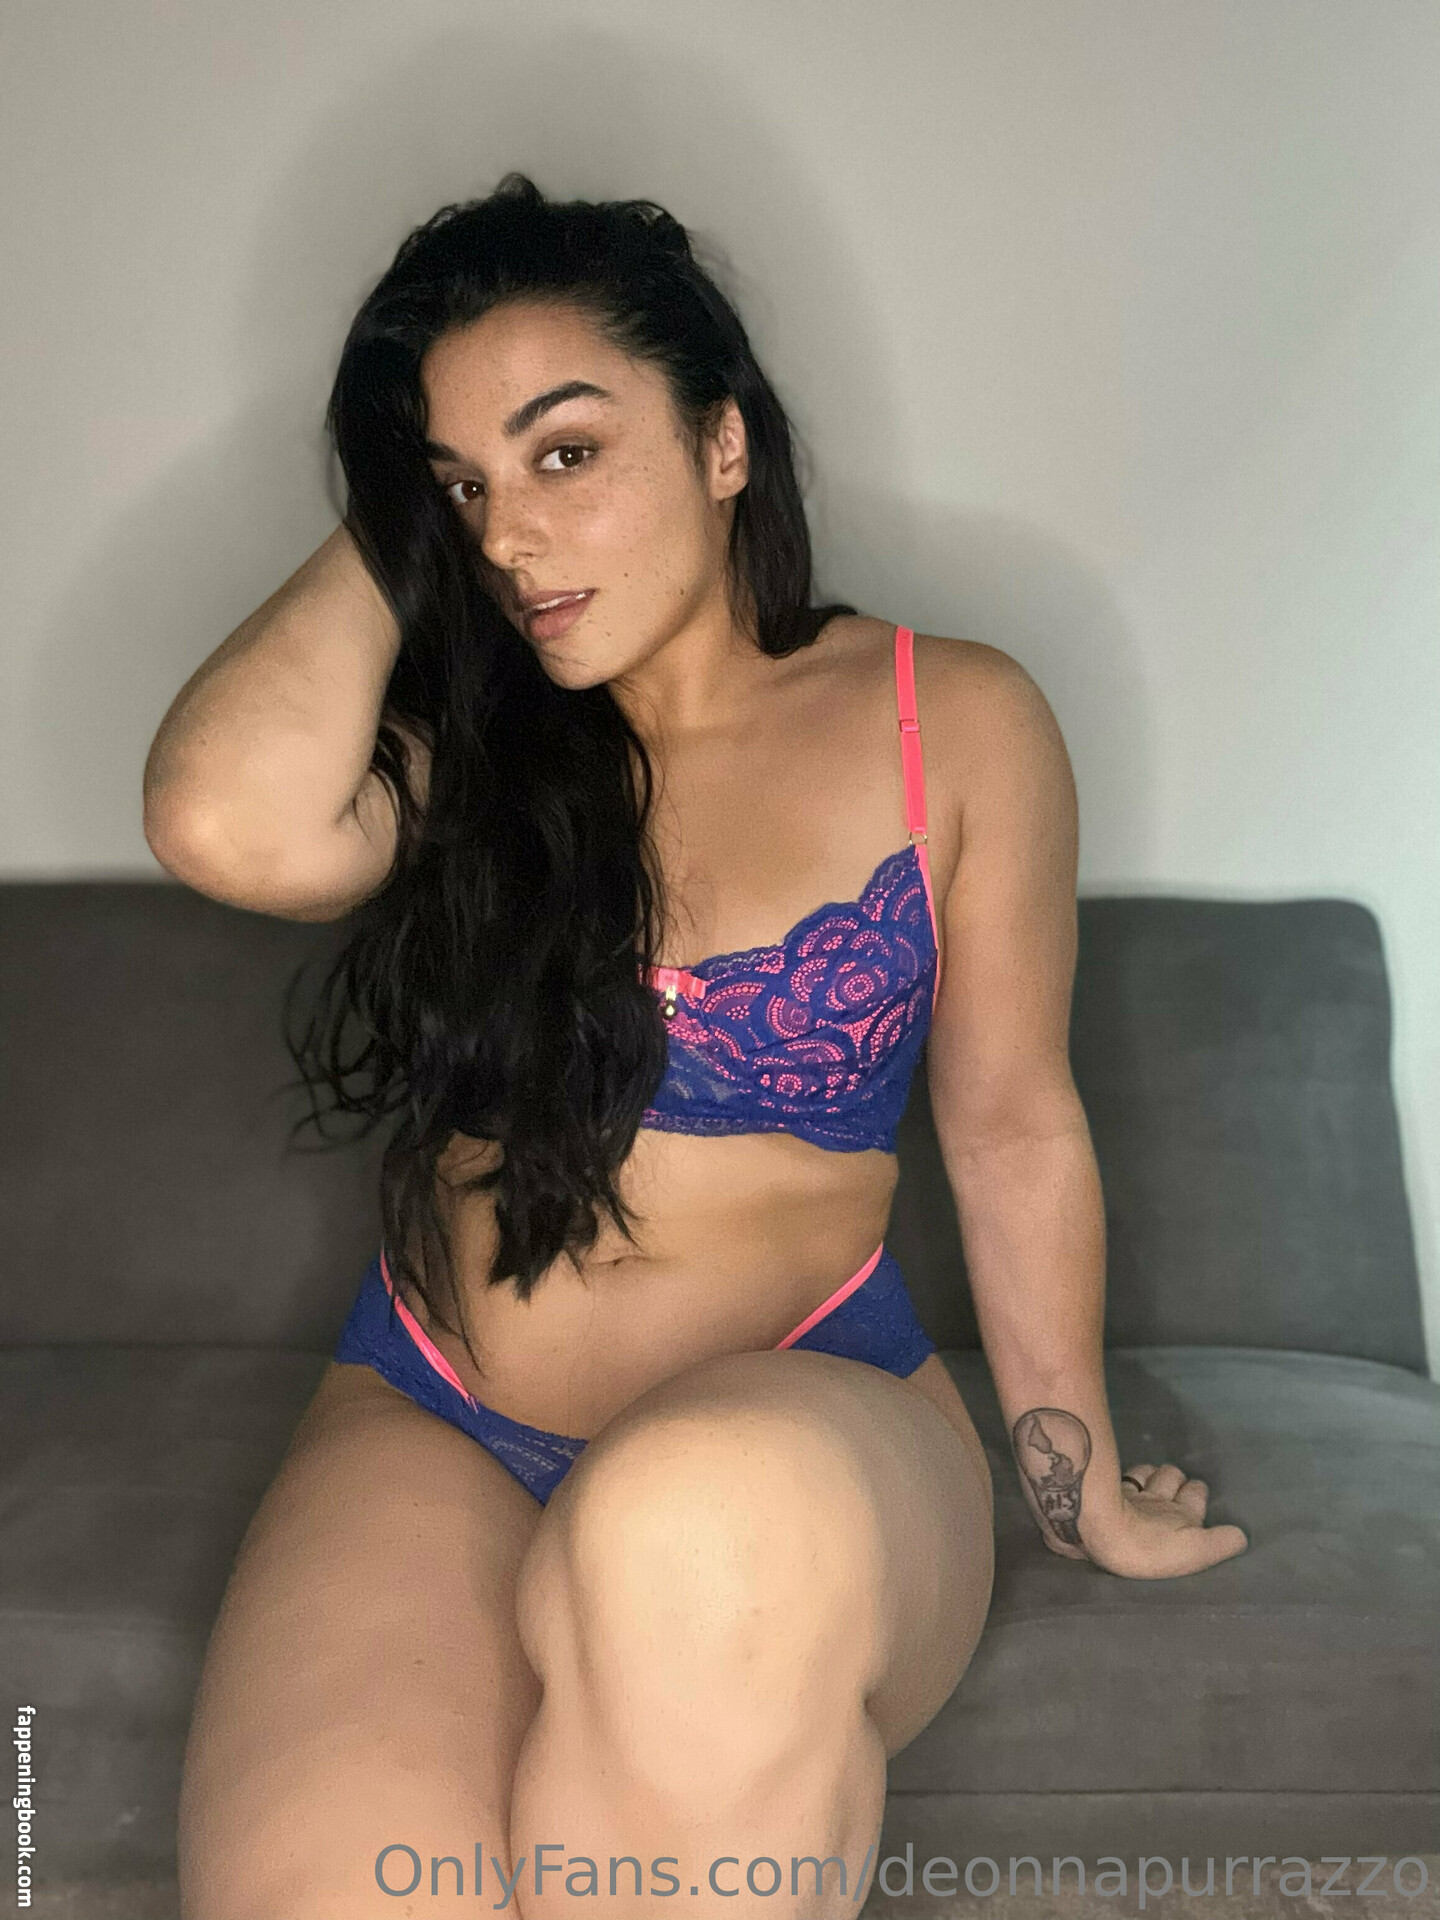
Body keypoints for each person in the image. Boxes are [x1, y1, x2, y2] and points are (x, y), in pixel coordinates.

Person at [143, 173, 1247, 1920]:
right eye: (465, 486)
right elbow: (221, 820)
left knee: (686, 1526)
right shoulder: (462, 752)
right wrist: (402, 516)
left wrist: (1080, 1479)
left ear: (725, 441)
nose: (513, 537)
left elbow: (1015, 1128)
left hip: (791, 1431)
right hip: (435, 1417)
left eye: (566, 453)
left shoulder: (950, 721)